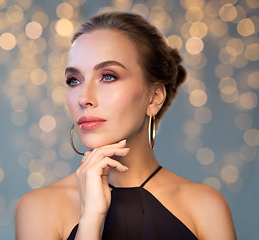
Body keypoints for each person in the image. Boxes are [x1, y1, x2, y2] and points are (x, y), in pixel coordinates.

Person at [15, 12, 236, 240]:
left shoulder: (206, 206)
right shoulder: (39, 208)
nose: (83, 98)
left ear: (154, 98)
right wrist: (90, 219)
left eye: (108, 76)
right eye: (74, 80)